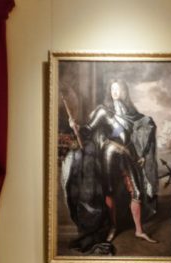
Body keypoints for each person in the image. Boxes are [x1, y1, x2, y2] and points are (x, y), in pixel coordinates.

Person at [66, 78, 159, 247]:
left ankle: (139, 230)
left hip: (128, 154)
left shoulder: (132, 114)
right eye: (112, 89)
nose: (114, 91)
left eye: (118, 88)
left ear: (124, 91)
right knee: (110, 191)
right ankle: (113, 227)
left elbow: (140, 131)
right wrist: (76, 126)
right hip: (109, 154)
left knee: (137, 192)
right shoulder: (103, 111)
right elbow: (87, 130)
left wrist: (143, 153)